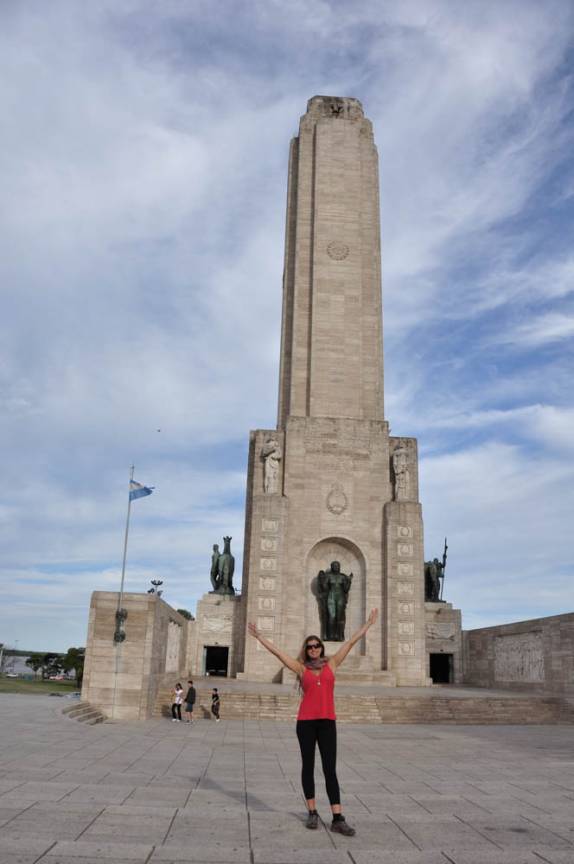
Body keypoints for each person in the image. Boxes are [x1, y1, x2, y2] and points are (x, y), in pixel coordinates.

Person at [248, 608, 378, 835]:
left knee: (330, 769)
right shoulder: (300, 668)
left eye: (316, 645)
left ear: (321, 648)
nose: (314, 649)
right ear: (306, 651)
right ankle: (312, 812)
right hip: (306, 723)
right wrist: (259, 637)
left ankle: (338, 817)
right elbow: (279, 654)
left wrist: (368, 624)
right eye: (310, 647)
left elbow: (350, 643)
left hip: (327, 722)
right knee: (307, 767)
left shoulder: (332, 664)